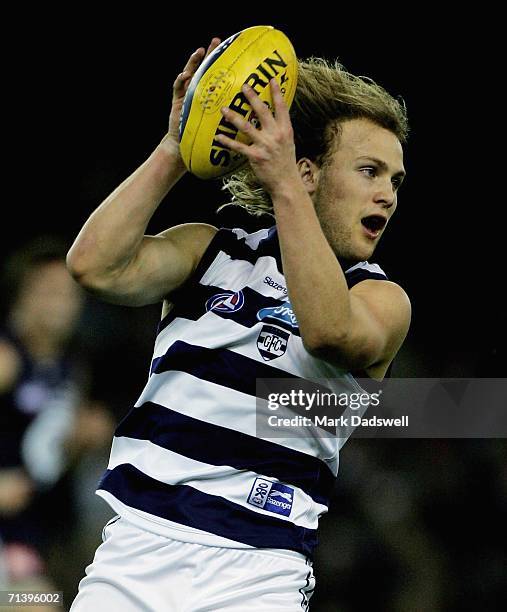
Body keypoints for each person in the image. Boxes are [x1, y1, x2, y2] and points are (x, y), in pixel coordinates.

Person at [67, 35, 411, 611]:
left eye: (396, 181)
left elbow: (325, 330)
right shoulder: (209, 251)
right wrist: (175, 148)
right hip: (134, 551)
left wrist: (281, 186)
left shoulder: (381, 299)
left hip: (258, 573)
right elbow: (93, 267)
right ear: (309, 171)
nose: (388, 194)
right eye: (371, 171)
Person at [0, 238, 114, 607]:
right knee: (37, 603)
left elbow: (46, 460)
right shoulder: (6, 358)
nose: (61, 305)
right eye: (48, 291)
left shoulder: (71, 369)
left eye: (68, 293)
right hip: (9, 534)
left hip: (39, 532)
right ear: (22, 294)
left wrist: (76, 443)